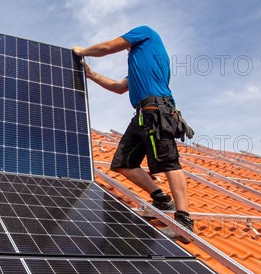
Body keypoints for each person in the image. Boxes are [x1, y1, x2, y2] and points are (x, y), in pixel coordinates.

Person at [73, 26, 194, 239]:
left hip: (157, 110)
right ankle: (161, 199)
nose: (128, 51)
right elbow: (119, 87)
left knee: (169, 162)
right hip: (141, 114)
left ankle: (184, 222)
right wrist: (91, 75)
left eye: (129, 47)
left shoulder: (145, 32)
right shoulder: (139, 69)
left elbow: (107, 47)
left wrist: (82, 51)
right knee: (123, 162)